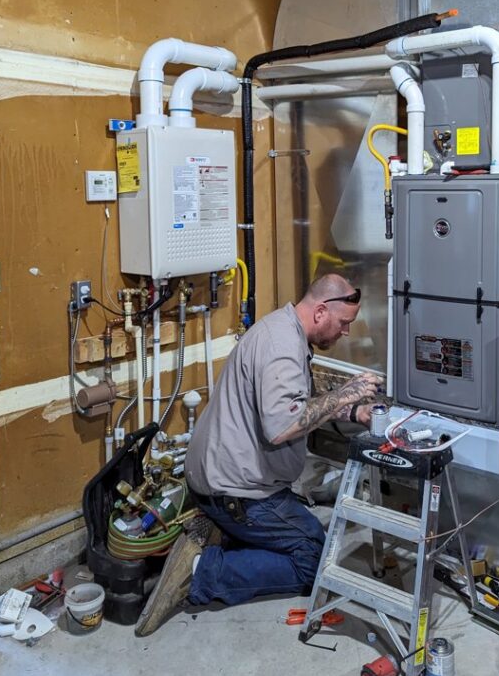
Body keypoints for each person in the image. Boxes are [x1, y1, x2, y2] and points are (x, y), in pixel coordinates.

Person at [135, 273, 382, 636]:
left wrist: (353, 413)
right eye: (343, 323)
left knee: (303, 533)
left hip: (225, 477)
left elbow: (300, 403)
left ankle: (225, 532)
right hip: (236, 490)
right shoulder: (282, 347)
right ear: (320, 312)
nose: (346, 332)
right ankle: (203, 570)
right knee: (317, 558)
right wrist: (345, 395)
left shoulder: (282, 330)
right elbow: (283, 425)